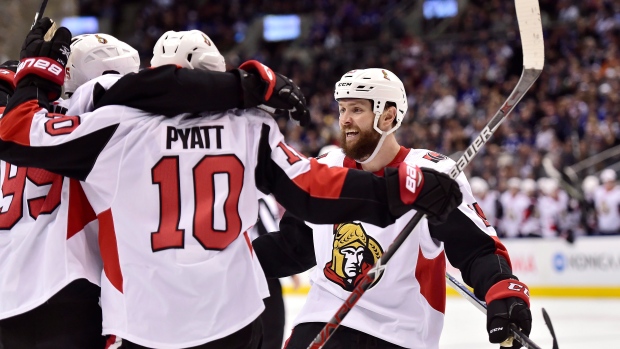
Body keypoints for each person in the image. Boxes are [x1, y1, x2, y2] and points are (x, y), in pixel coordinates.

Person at [0, 20, 463, 349]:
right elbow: (312, 190)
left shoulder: (111, 126)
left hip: (142, 323)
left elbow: (19, 132)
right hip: (236, 318)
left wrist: (30, 76)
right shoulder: (249, 126)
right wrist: (395, 191)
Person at [252, 68, 532, 349]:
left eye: (357, 109)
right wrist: (237, 261)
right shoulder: (327, 167)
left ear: (388, 116)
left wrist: (502, 290)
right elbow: (295, 245)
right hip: (323, 322)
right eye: (342, 109)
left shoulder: (431, 174)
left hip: (400, 333)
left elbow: (475, 247)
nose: (345, 120)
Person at [0, 33, 141, 349]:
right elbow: (112, 92)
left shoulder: (16, 120)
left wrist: (30, 74)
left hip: (8, 301)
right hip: (66, 284)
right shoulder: (90, 109)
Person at [593, 169, 620, 235]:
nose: (609, 184)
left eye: (611, 181)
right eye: (607, 182)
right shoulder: (598, 192)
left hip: (616, 228)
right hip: (602, 227)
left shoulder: (618, 193)